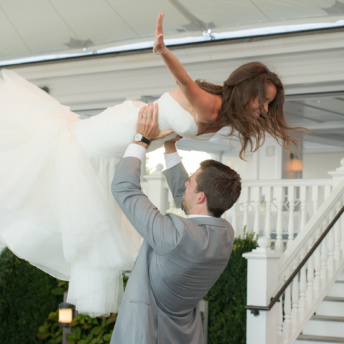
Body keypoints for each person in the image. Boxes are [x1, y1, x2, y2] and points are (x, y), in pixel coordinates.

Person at [0, 13, 300, 316]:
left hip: (138, 137)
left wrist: (165, 144)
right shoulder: (213, 107)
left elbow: (176, 128)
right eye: (262, 101)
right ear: (247, 90)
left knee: (85, 181)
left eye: (268, 104)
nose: (263, 109)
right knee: (74, 146)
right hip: (127, 128)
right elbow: (183, 81)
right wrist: (163, 50)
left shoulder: (224, 119)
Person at [110, 103, 241, 343]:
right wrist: (170, 147)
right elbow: (190, 203)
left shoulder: (175, 236)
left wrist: (141, 140)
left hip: (149, 334)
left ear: (201, 197)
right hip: (182, 334)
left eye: (190, 181)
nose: (186, 184)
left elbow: (123, 188)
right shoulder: (224, 235)